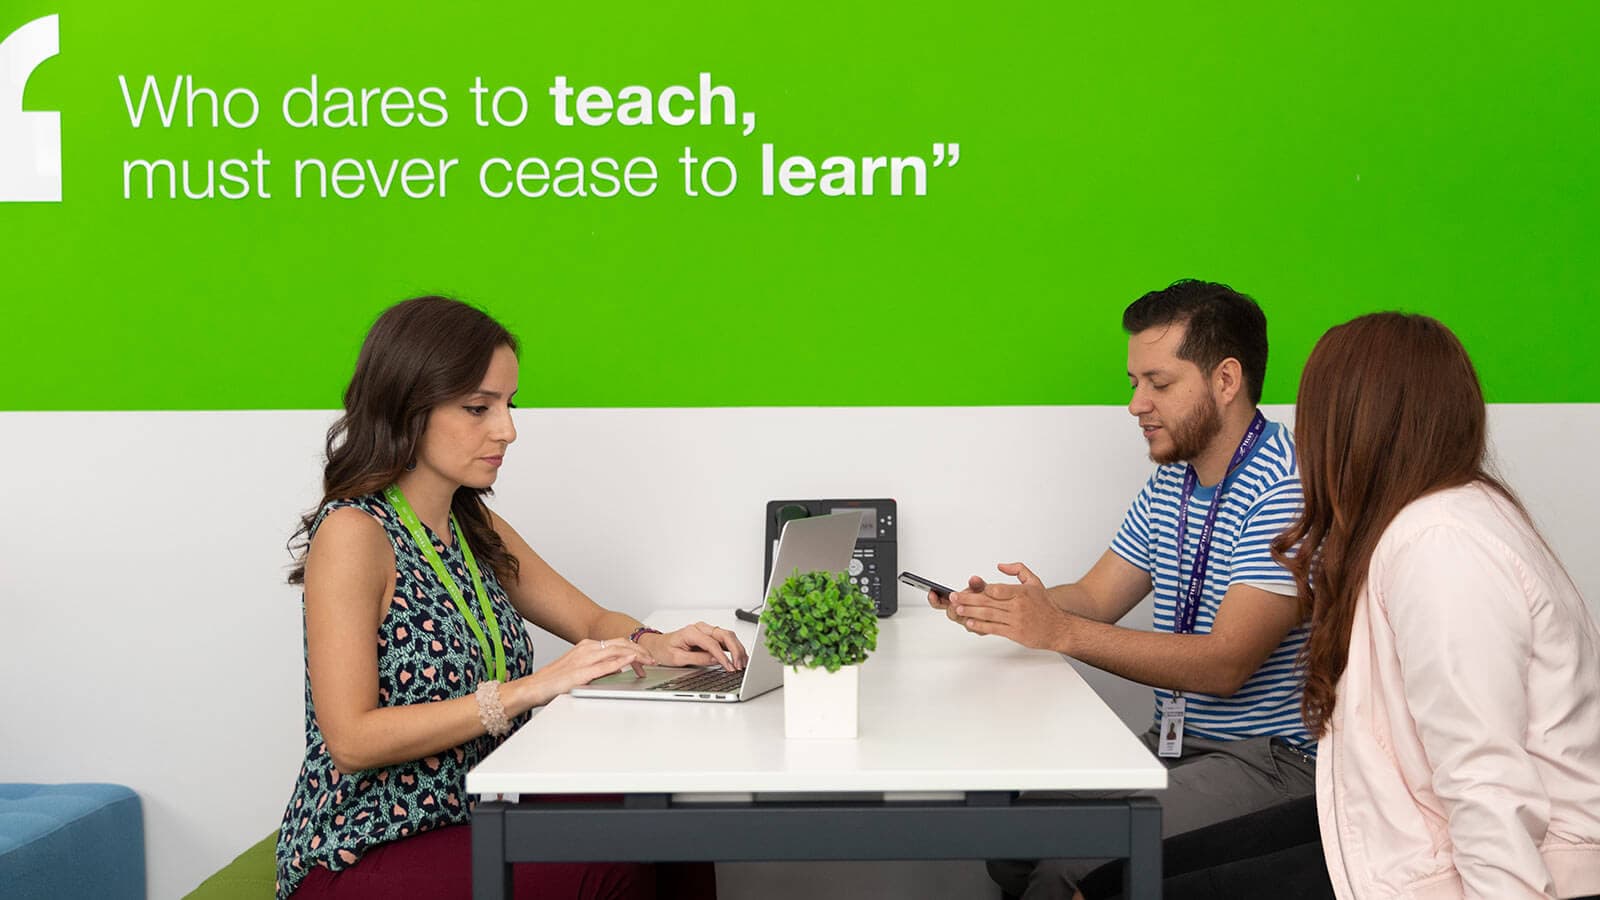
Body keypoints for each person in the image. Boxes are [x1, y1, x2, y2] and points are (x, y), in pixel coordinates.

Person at [274, 296, 746, 899]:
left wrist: (652, 643)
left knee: (667, 820)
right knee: (610, 868)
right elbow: (351, 739)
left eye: (508, 404)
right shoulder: (353, 533)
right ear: (406, 410)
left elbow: (591, 618)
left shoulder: (472, 524)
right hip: (364, 845)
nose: (508, 430)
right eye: (478, 408)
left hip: (480, 805)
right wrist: (532, 689)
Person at [942, 280, 1317, 900]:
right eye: (1133, 383)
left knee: (1073, 866)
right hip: (1180, 745)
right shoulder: (1174, 480)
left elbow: (1226, 664)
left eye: (1159, 383)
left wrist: (1057, 631)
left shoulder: (1287, 487)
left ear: (1226, 380)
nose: (1136, 404)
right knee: (1009, 840)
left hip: (1269, 760)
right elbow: (1095, 597)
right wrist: (1006, 609)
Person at [1268, 312, 1600, 900]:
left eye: (1309, 410)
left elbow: (1484, 773)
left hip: (1486, 872)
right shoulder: (1436, 521)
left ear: (1353, 424)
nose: (1299, 433)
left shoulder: (1438, 541)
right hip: (1417, 848)